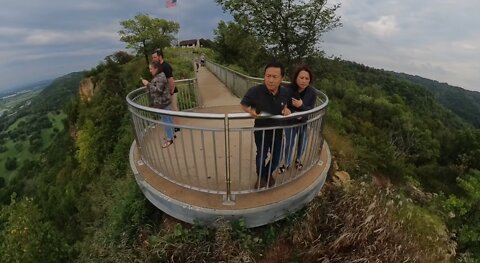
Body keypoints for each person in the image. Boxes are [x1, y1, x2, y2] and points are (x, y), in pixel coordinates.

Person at [241, 62, 292, 188]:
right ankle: (261, 178)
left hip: (278, 130)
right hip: (261, 129)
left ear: (281, 78)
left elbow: (287, 105)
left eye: (275, 77)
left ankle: (267, 174)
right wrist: (250, 111)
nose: (270, 80)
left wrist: (287, 110)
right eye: (268, 76)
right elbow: (244, 104)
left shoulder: (285, 92)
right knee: (262, 155)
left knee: (276, 157)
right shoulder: (255, 91)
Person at [279, 65, 317, 173]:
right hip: (290, 122)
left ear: (310, 80)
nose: (303, 81)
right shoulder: (288, 89)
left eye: (306, 78)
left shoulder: (312, 92)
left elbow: (311, 109)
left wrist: (301, 106)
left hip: (303, 123)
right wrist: (284, 109)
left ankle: (298, 160)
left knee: (302, 143)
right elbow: (282, 104)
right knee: (289, 143)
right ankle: (286, 163)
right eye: (301, 77)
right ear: (296, 78)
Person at [142, 61, 174, 148]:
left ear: (156, 68)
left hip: (163, 103)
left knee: (166, 121)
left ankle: (169, 139)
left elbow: (158, 90)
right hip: (164, 102)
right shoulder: (160, 76)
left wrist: (148, 84)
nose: (150, 71)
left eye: (151, 69)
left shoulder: (160, 77)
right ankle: (171, 136)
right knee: (168, 119)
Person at [152, 48, 180, 132]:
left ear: (160, 57)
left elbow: (171, 80)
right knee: (169, 109)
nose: (153, 59)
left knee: (174, 108)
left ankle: (177, 126)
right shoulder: (159, 67)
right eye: (152, 58)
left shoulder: (165, 66)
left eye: (154, 57)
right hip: (166, 92)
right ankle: (172, 126)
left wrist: (171, 92)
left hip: (171, 91)